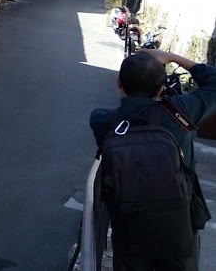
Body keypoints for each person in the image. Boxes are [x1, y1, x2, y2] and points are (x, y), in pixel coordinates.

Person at [90, 50, 216, 270]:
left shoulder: (102, 120)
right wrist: (173, 58)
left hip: (129, 229)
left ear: (119, 81)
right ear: (160, 88)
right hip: (179, 225)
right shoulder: (181, 112)